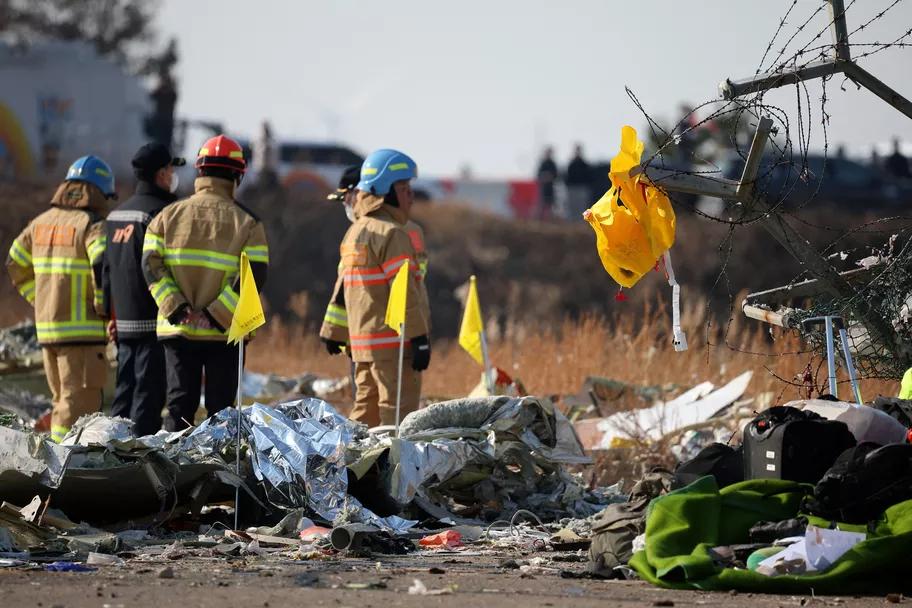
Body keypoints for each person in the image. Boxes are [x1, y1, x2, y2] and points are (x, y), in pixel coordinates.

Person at [142, 135, 269, 431]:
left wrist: (178, 309)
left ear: (200, 172)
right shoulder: (248, 222)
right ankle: (216, 473)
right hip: (225, 334)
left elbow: (150, 265)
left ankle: (173, 473)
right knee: (221, 414)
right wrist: (214, 315)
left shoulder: (166, 216)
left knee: (178, 409)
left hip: (177, 329)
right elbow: (255, 275)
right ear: (237, 176)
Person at [6, 156, 114, 442]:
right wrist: (104, 309)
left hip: (48, 332)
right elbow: (102, 267)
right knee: (78, 407)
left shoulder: (39, 223)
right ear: (99, 191)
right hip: (83, 336)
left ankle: (58, 461)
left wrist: (39, 299)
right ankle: (65, 468)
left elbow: (14, 262)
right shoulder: (92, 225)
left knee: (60, 401)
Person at [331, 149, 430, 427]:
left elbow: (345, 290)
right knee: (397, 419)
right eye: (404, 188)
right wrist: (419, 337)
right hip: (394, 346)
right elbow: (404, 290)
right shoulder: (392, 234)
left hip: (362, 347)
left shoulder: (355, 231)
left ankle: (352, 469)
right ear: (385, 191)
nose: (411, 195)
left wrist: (333, 331)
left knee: (364, 418)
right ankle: (390, 470)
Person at [103, 143, 185, 436]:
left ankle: (109, 456)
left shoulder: (115, 217)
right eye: (172, 170)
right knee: (147, 403)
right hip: (155, 324)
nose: (174, 176)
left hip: (122, 325)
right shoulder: (163, 214)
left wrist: (108, 316)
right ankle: (134, 466)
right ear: (162, 174)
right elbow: (170, 268)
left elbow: (105, 271)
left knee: (122, 398)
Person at [320, 165, 431, 359]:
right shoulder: (361, 232)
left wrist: (333, 330)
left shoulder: (383, 232)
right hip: (367, 337)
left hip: (386, 336)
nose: (345, 206)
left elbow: (405, 286)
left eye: (345, 199)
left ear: (358, 193)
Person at [564, 143, 592, 219]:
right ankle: (572, 222)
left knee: (582, 207)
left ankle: (582, 221)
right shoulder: (572, 164)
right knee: (572, 206)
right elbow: (568, 176)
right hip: (572, 188)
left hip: (582, 188)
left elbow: (588, 176)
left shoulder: (584, 164)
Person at [536, 146, 558, 220]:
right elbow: (538, 175)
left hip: (550, 188)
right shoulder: (543, 164)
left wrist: (549, 177)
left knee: (550, 205)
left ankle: (550, 219)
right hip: (543, 188)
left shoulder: (552, 164)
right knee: (542, 205)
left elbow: (555, 175)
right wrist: (545, 177)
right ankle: (541, 219)